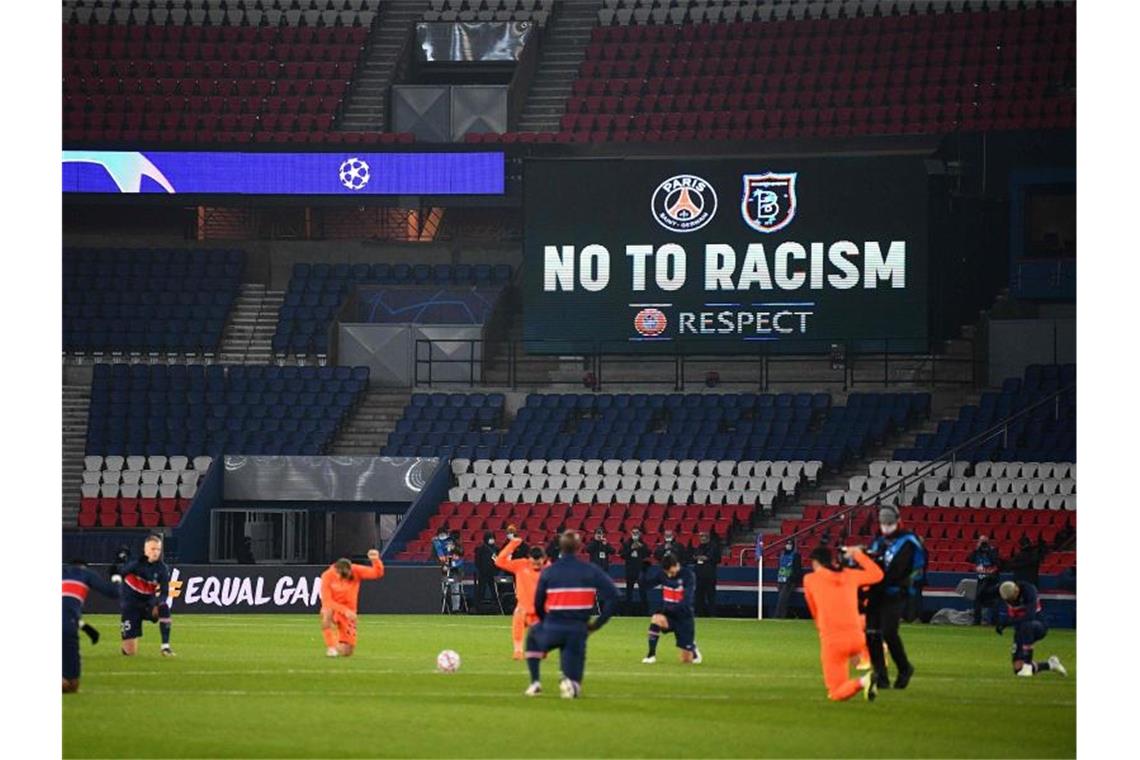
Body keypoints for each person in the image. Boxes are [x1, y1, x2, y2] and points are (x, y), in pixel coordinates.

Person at [524, 530, 619, 698]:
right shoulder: (590, 570)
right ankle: (571, 684)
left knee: (532, 636)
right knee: (574, 681)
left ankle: (535, 683)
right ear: (579, 547)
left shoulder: (549, 571)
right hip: (578, 630)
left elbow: (538, 603)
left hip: (553, 626)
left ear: (560, 547)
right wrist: (596, 624)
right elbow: (614, 596)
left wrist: (546, 622)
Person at [803, 545, 884, 702]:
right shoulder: (849, 575)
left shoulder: (810, 579)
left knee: (835, 692)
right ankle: (872, 658)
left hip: (833, 640)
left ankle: (863, 681)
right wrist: (857, 555)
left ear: (815, 563)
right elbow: (878, 575)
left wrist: (821, 627)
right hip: (857, 638)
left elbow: (814, 610)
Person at [865, 507, 924, 690]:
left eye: (889, 524)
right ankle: (881, 675)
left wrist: (907, 585)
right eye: (883, 524)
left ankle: (904, 668)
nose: (886, 527)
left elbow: (917, 568)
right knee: (871, 634)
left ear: (897, 521)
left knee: (889, 632)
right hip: (876, 593)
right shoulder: (879, 542)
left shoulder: (909, 541)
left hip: (895, 592)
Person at [63, 559, 122, 693]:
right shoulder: (85, 574)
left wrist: (85, 627)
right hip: (68, 629)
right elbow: (114, 592)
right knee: (72, 685)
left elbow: (65, 610)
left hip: (68, 623)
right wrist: (116, 576)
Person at [319, 549, 384, 657]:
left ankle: (336, 643)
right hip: (335, 607)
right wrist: (344, 611)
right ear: (337, 571)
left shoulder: (356, 570)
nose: (348, 577)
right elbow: (327, 600)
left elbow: (377, 573)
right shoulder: (327, 576)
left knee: (347, 652)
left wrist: (375, 560)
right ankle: (330, 646)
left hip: (350, 610)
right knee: (326, 613)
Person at [640, 553, 702, 664]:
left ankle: (692, 647)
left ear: (676, 565)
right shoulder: (662, 574)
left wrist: (671, 609)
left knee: (686, 660)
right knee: (656, 619)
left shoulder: (688, 575)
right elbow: (646, 586)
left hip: (684, 617)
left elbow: (687, 600)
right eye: (666, 572)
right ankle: (651, 655)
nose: (669, 575)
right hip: (669, 615)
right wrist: (643, 572)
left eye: (671, 571)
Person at [996, 580, 1068, 678]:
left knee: (1027, 625)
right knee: (1018, 668)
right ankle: (1051, 665)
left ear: (1016, 590)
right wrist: (1002, 624)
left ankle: (1027, 666)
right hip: (1021, 630)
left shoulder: (1029, 591)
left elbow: (1029, 616)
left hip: (1038, 625)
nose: (1011, 601)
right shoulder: (1007, 595)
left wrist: (1006, 623)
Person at [119, 534, 175, 657]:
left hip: (147, 605)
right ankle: (126, 643)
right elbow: (121, 573)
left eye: (158, 549)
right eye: (152, 549)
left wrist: (158, 601)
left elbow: (165, 592)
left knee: (164, 607)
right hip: (131, 607)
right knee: (130, 652)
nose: (156, 552)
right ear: (145, 550)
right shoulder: (135, 564)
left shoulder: (162, 568)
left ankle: (165, 647)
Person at [495, 533, 548, 659]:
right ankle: (518, 651)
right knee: (518, 617)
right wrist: (513, 544)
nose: (536, 565)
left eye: (538, 563)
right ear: (529, 558)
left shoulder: (549, 569)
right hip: (524, 606)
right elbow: (499, 561)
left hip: (541, 609)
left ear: (543, 559)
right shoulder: (521, 565)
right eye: (534, 562)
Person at [967, 535, 1002, 625]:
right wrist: (976, 549)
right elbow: (970, 559)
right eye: (981, 541)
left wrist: (989, 551)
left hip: (992, 580)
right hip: (981, 579)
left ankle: (994, 622)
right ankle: (977, 621)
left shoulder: (993, 551)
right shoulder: (977, 551)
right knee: (977, 601)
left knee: (994, 601)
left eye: (984, 541)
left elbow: (997, 562)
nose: (983, 544)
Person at [620, 527, 652, 615]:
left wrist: (641, 547)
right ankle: (627, 612)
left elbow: (648, 553)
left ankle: (645, 612)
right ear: (631, 533)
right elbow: (622, 555)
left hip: (640, 570)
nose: (635, 534)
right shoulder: (627, 544)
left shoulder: (642, 544)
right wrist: (631, 548)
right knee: (629, 592)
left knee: (643, 592)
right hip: (630, 570)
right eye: (633, 532)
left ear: (639, 533)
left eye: (637, 532)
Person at [690, 531, 720, 617]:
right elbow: (694, 557)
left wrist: (705, 558)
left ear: (708, 537)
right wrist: (701, 558)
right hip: (699, 575)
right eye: (701, 537)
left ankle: (712, 614)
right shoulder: (699, 547)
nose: (702, 538)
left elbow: (714, 558)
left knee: (711, 595)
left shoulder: (713, 547)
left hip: (709, 575)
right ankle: (700, 614)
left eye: (704, 536)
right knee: (699, 595)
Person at [775, 538, 803, 619]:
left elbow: (798, 569)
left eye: (790, 544)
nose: (788, 546)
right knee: (781, 598)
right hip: (781, 579)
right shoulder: (782, 555)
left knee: (782, 599)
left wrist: (792, 578)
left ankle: (779, 616)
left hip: (789, 581)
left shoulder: (796, 555)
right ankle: (780, 615)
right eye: (787, 544)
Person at [473, 531, 500, 612]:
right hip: (483, 574)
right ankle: (479, 607)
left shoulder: (497, 549)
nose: (491, 540)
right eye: (490, 538)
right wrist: (481, 570)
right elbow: (477, 561)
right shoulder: (481, 549)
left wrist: (497, 571)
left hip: (493, 574)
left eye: (492, 538)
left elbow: (499, 561)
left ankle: (497, 606)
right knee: (481, 590)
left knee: (494, 590)